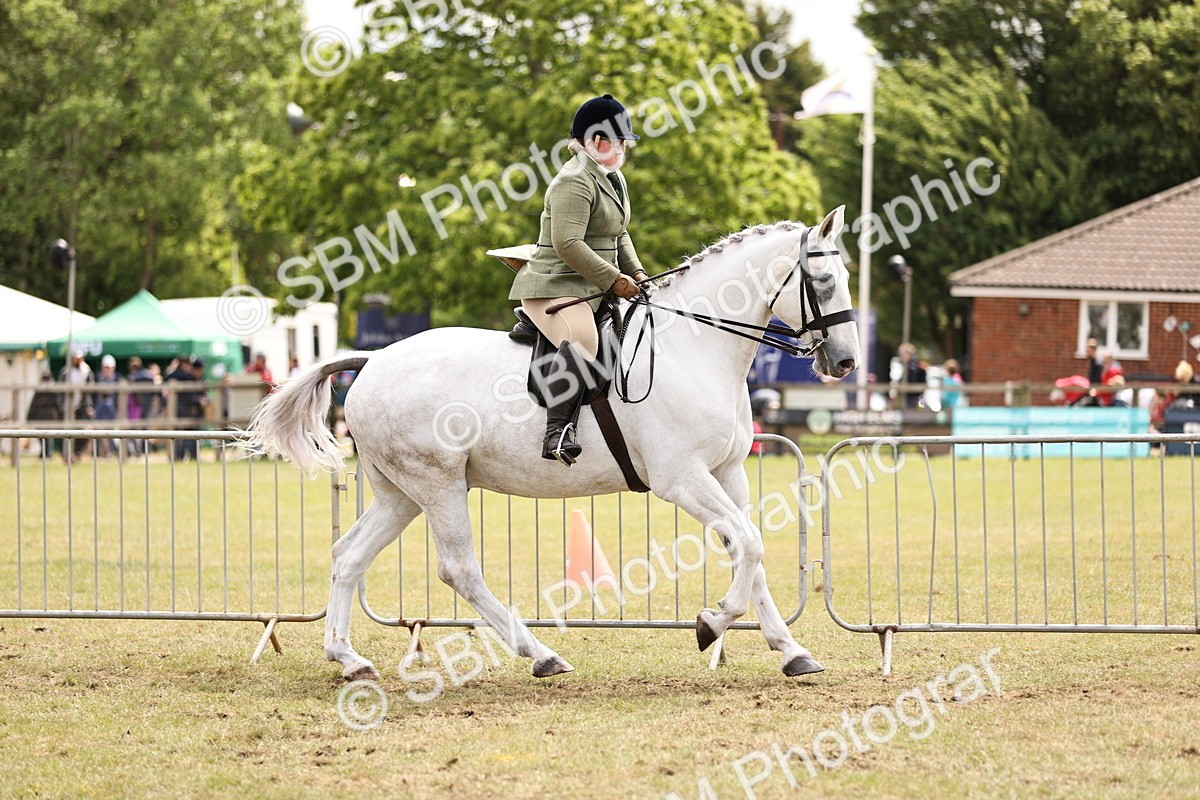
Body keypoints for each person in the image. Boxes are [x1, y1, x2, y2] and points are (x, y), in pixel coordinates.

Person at [507, 94, 651, 464]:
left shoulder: (612, 178)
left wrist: (635, 270)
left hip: (591, 286)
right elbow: (567, 243)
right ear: (593, 142)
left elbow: (620, 233)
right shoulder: (573, 181)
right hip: (553, 284)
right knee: (583, 340)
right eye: (613, 141)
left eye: (621, 142)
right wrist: (613, 278)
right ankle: (556, 433)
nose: (619, 148)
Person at [57, 349, 94, 462]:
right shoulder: (65, 372)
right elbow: (60, 391)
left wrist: (89, 406)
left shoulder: (87, 372)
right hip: (67, 407)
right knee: (65, 431)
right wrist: (61, 405)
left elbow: (89, 392)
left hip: (81, 407)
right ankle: (66, 454)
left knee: (82, 431)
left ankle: (77, 454)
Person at [92, 354, 124, 457]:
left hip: (112, 409)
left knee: (112, 430)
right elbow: (93, 395)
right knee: (98, 429)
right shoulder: (97, 378)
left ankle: (112, 451)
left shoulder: (118, 379)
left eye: (109, 367)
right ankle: (99, 451)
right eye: (105, 367)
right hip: (99, 409)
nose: (107, 370)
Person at [896, 343, 927, 409]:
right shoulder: (907, 365)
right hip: (911, 398)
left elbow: (912, 381)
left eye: (901, 354)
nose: (900, 356)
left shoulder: (911, 366)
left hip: (910, 399)